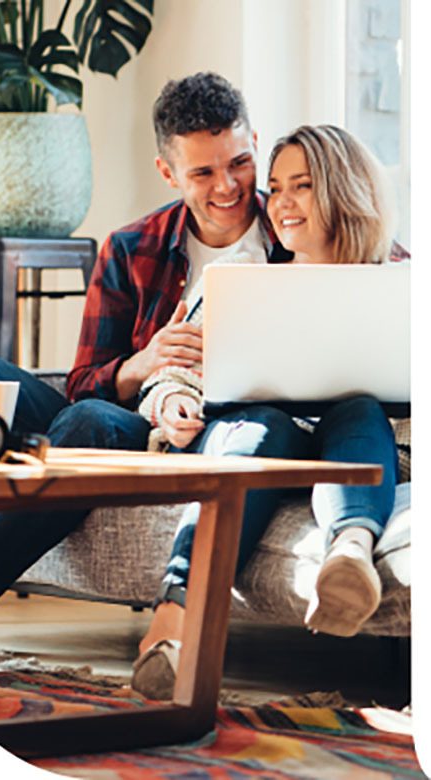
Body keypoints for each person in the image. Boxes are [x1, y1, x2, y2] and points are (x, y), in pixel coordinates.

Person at [0, 72, 293, 640]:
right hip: (123, 410)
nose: (228, 186)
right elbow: (83, 382)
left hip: (196, 429)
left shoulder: (297, 232)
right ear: (167, 173)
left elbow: (380, 262)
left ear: (255, 143)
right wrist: (141, 364)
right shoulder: (132, 246)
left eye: (240, 162)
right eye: (203, 172)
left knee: (87, 421)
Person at [130, 124, 406, 701]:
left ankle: (349, 555)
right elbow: (172, 371)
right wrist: (171, 401)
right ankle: (174, 621)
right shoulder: (241, 281)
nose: (280, 202)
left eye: (301, 186)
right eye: (275, 186)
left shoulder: (396, 285)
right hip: (248, 441)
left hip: (352, 448)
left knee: (357, 408)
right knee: (267, 420)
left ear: (344, 190)